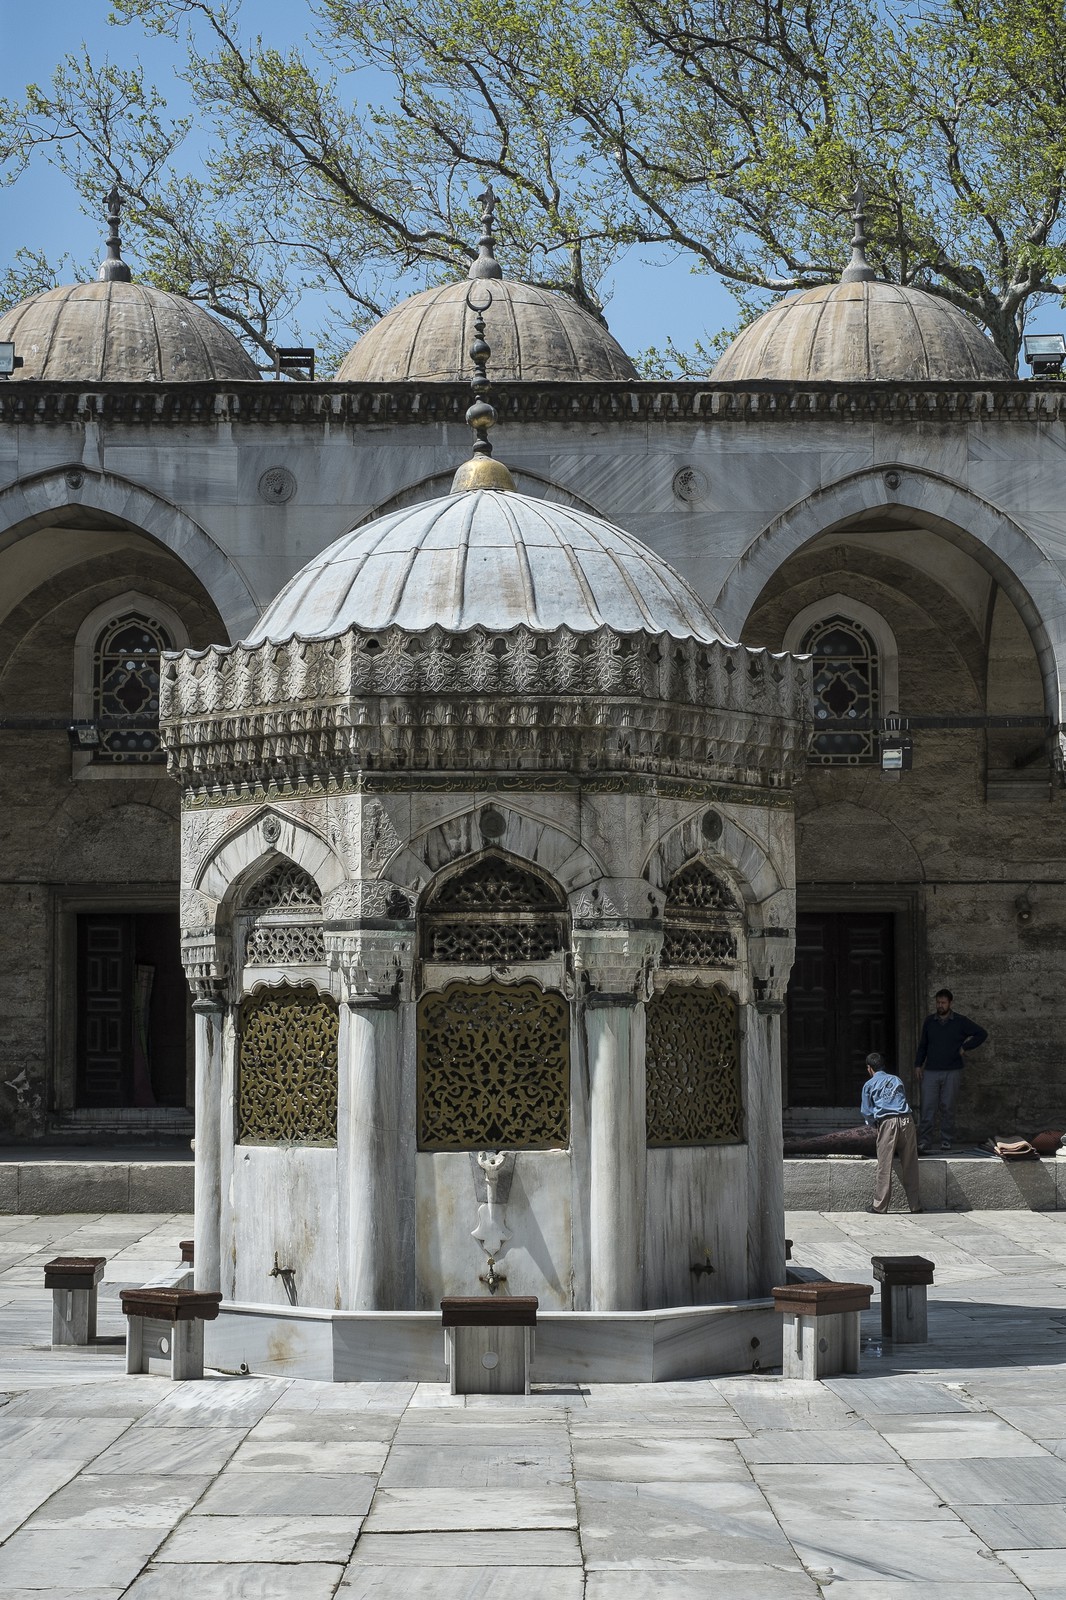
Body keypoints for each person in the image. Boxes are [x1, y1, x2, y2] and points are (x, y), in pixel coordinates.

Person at [914, 988, 988, 1152]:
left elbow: (981, 1033)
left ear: (950, 1003)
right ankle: (925, 1141)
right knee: (928, 1107)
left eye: (943, 1003)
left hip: (952, 1070)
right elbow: (923, 1045)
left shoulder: (960, 1021)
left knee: (948, 1106)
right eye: (938, 1002)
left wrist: (965, 1047)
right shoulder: (929, 1021)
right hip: (931, 1070)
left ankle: (946, 1139)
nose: (940, 1006)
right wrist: (918, 1065)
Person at [861, 1052, 922, 1214]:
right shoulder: (896, 1079)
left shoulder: (869, 1085)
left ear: (869, 1068)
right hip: (907, 1120)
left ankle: (880, 1206)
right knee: (910, 1163)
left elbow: (867, 1111)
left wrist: (873, 1125)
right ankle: (915, 1205)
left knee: (884, 1165)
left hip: (887, 1123)